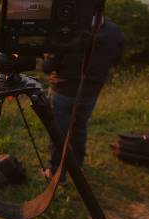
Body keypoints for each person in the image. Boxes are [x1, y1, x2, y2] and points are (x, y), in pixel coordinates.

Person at [42, 17, 124, 183]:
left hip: (62, 92)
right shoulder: (114, 31)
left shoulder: (66, 29)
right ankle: (77, 169)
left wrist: (46, 52)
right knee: (79, 128)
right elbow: (116, 60)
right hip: (90, 93)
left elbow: (47, 67)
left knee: (59, 133)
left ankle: (56, 173)